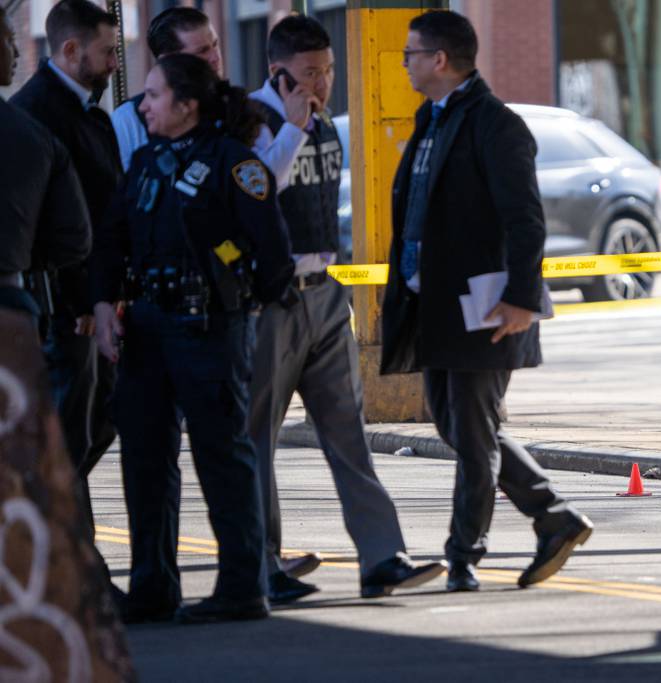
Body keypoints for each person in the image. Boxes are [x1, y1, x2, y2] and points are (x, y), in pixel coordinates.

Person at [382, 10, 593, 593]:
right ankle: (554, 517)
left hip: (487, 307)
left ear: (440, 60)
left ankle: (463, 557)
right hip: (437, 304)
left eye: (411, 53)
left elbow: (525, 219)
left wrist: (523, 297)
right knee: (456, 425)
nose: (405, 63)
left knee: (474, 435)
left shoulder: (494, 126)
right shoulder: (432, 118)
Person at [91, 53, 295, 624]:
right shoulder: (146, 160)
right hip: (149, 329)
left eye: (154, 95)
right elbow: (111, 237)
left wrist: (235, 297)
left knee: (221, 459)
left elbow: (272, 256)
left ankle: (240, 588)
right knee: (145, 460)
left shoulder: (235, 164)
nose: (145, 104)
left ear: (187, 106)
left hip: (210, 327)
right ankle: (153, 588)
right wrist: (105, 302)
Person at [248, 14, 445, 602]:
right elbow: (259, 191)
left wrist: (307, 123)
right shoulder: (252, 121)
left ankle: (382, 557)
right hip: (271, 301)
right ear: (278, 73)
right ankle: (261, 566)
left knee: (348, 433)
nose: (323, 84)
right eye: (310, 73)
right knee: (256, 438)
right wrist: (290, 127)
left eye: (328, 71)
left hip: (326, 294)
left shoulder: (326, 123)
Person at [11, 0, 121, 538]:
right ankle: (74, 564)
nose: (114, 65)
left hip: (96, 303)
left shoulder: (86, 115)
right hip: (67, 312)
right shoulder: (38, 117)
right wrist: (81, 302)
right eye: (106, 53)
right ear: (71, 50)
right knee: (67, 439)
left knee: (98, 425)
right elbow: (57, 230)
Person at [0, 3, 91, 322]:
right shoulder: (35, 137)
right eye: (9, 40)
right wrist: (20, 252)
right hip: (11, 304)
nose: (17, 52)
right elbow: (75, 238)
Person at [110, 6, 222, 170]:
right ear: (169, 60)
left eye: (215, 45)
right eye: (202, 51)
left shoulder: (236, 109)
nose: (215, 57)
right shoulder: (129, 120)